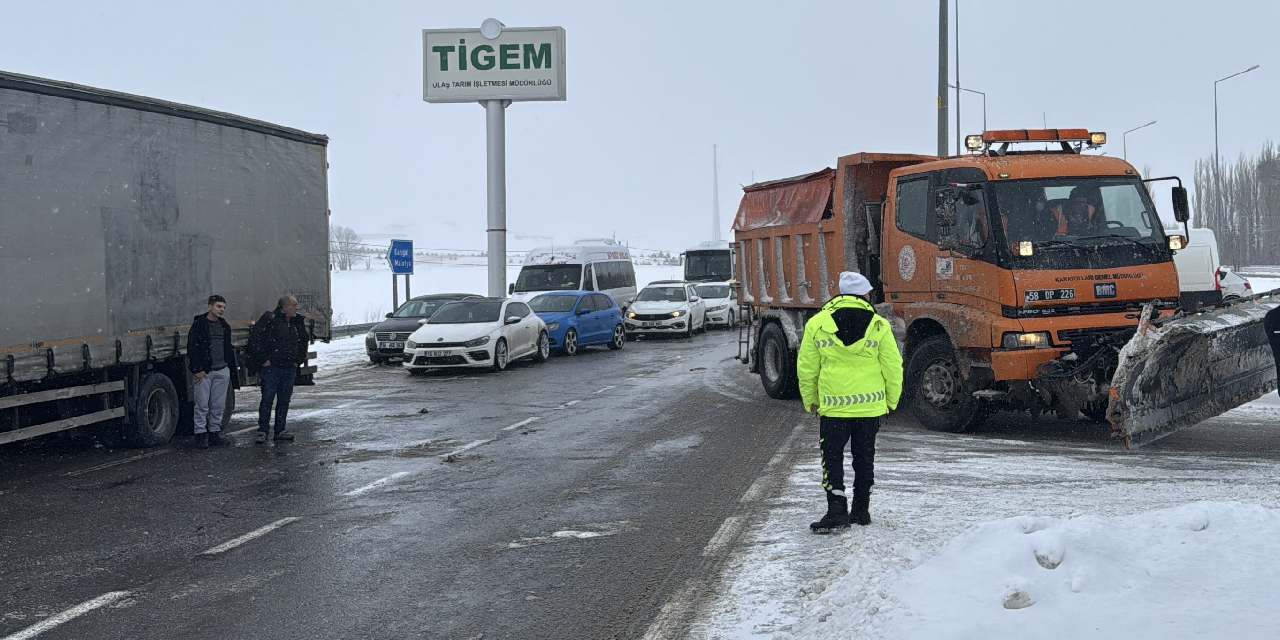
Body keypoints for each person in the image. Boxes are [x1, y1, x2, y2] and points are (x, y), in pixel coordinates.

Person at [797, 272, 903, 533]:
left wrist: (810, 399)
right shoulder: (879, 325)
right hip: (869, 409)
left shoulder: (817, 323)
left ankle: (836, 511)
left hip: (833, 409)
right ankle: (861, 510)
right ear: (865, 295)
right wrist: (892, 400)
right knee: (864, 458)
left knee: (832, 459)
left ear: (841, 293)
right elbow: (893, 366)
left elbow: (807, 367)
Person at [252, 295, 309, 444]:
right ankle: (263, 430)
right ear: (284, 307)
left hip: (289, 367)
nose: (297, 308)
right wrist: (264, 359)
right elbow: (256, 339)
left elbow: (303, 340)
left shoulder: (297, 322)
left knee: (284, 400)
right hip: (272, 368)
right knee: (267, 400)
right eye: (293, 305)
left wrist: (299, 360)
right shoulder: (270, 320)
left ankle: (280, 430)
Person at [187, 294, 239, 449]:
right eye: (218, 306)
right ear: (210, 306)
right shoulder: (199, 325)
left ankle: (215, 433)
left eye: (223, 307)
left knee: (218, 404)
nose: (221, 310)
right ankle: (200, 435)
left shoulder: (224, 326)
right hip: (205, 372)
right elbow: (192, 347)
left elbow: (227, 348)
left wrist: (229, 368)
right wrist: (197, 369)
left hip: (222, 369)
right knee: (202, 405)